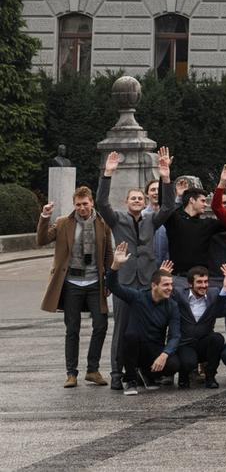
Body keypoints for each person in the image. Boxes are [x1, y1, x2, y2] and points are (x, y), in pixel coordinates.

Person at [97, 149, 176, 389]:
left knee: (150, 329)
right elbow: (101, 202)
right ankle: (116, 373)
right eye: (133, 198)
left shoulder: (151, 220)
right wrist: (108, 174)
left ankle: (145, 370)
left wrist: (165, 178)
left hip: (147, 281)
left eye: (140, 199)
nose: (137, 201)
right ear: (126, 202)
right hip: (124, 281)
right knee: (122, 328)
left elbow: (169, 206)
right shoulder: (117, 219)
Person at [38, 186, 113, 388]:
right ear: (74, 205)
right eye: (78, 205)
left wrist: (110, 279)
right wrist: (45, 216)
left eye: (85, 204)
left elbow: (108, 253)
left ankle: (92, 369)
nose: (81, 208)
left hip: (95, 283)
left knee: (101, 325)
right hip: (71, 283)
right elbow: (42, 240)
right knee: (72, 329)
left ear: (91, 203)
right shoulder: (64, 223)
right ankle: (71, 373)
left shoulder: (102, 223)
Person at [104, 243, 180, 395]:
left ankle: (148, 374)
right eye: (165, 285)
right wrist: (115, 266)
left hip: (154, 349)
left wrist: (164, 355)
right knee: (130, 336)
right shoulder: (138, 297)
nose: (170, 288)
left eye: (171, 285)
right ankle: (131, 379)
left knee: (173, 364)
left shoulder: (172, 305)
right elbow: (114, 287)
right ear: (154, 286)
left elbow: (175, 336)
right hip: (135, 348)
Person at [165, 172, 226, 294]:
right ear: (192, 200)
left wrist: (223, 184)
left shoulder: (207, 224)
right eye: (202, 201)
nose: (205, 204)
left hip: (201, 280)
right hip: (179, 279)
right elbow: (166, 206)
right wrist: (165, 178)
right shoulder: (175, 221)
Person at [173, 265, 224, 389]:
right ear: (190, 284)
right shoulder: (180, 294)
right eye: (199, 282)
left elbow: (223, 304)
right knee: (188, 362)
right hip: (186, 343)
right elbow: (165, 292)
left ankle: (210, 376)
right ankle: (184, 376)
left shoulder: (214, 293)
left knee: (217, 338)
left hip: (204, 342)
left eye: (206, 282)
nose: (204, 285)